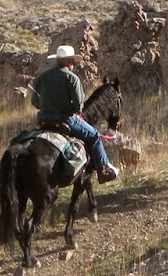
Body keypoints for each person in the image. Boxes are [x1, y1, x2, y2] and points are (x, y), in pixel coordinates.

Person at [30, 44, 119, 183]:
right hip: (65, 119)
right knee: (94, 135)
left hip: (43, 118)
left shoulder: (43, 76)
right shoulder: (72, 78)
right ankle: (103, 170)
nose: (73, 65)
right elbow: (79, 106)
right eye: (72, 62)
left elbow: (35, 101)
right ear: (69, 62)